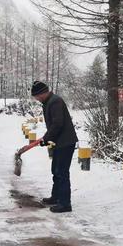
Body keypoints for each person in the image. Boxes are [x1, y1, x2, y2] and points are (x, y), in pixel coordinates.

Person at [31, 81, 78, 213]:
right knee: (55, 170)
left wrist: (46, 138)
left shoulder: (55, 101)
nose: (36, 99)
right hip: (59, 141)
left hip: (65, 142)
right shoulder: (48, 102)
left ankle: (65, 203)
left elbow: (58, 124)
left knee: (62, 172)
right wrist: (48, 139)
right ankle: (56, 197)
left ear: (43, 93)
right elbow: (54, 125)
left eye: (37, 96)